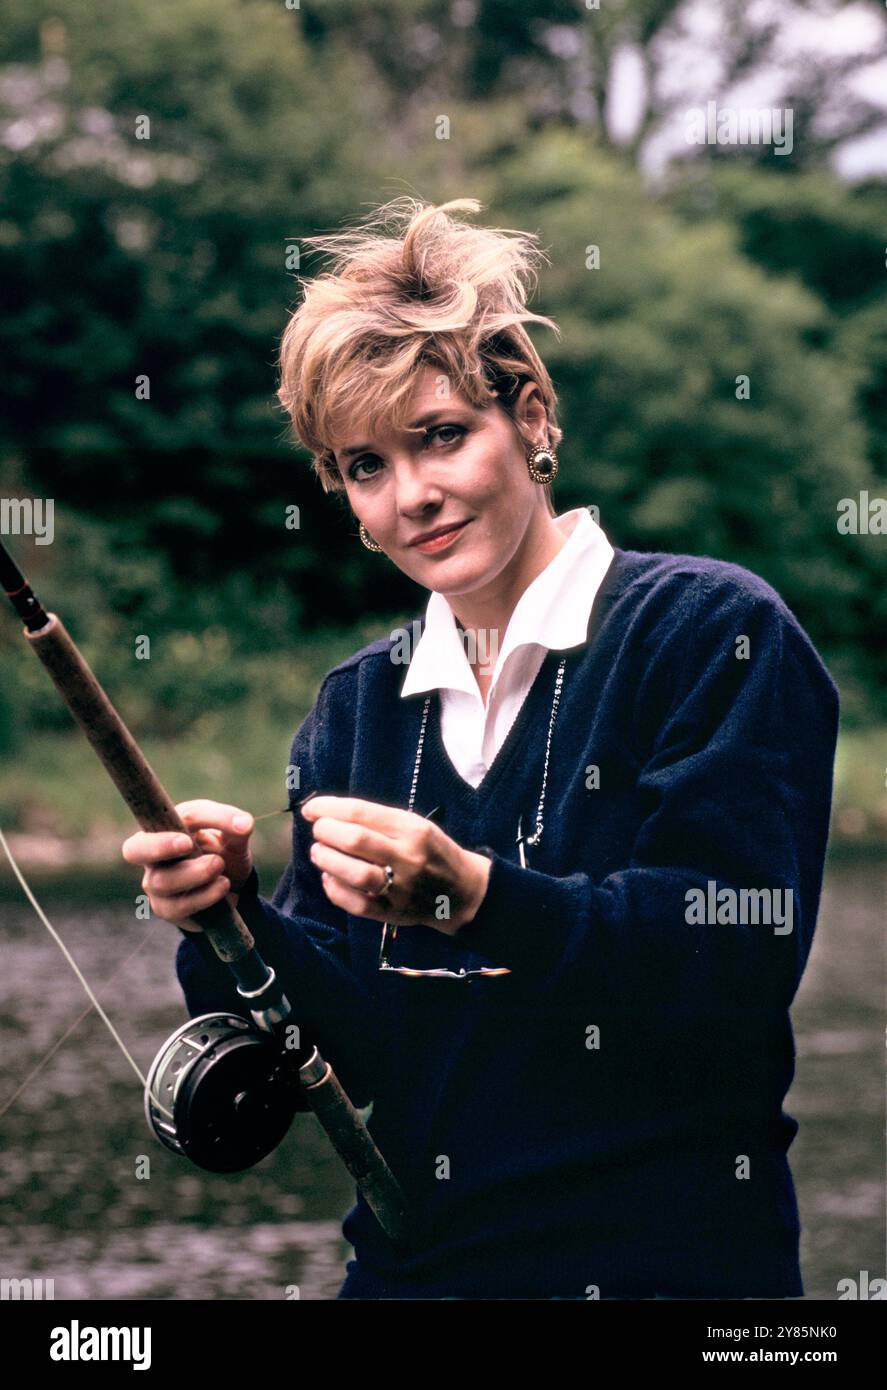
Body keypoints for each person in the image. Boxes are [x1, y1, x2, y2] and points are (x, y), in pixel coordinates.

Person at [122, 197, 840, 1300]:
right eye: (364, 466)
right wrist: (229, 917)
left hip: (676, 1272)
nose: (410, 495)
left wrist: (474, 895)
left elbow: (731, 963)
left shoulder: (714, 633)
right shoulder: (355, 707)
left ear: (532, 416)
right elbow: (356, 1049)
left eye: (440, 435)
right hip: (415, 1276)